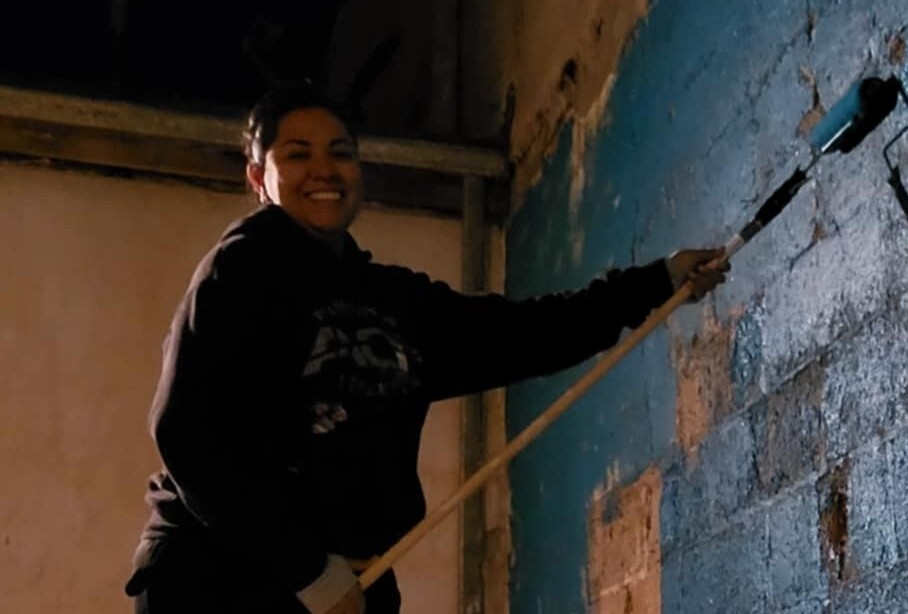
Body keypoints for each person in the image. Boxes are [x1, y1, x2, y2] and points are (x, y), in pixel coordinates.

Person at [123, 83, 729, 614]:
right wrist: (305, 569)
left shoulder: (392, 301)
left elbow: (523, 333)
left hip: (348, 579)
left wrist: (657, 283)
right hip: (221, 578)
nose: (324, 170)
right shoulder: (243, 268)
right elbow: (185, 434)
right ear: (259, 178)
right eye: (296, 153)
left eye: (341, 152)